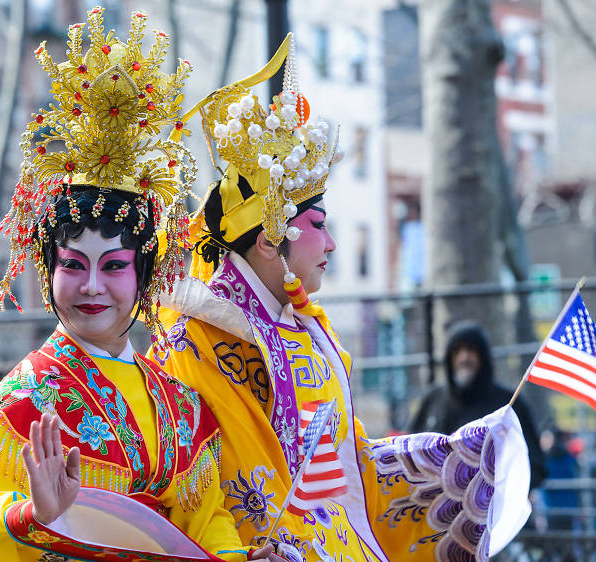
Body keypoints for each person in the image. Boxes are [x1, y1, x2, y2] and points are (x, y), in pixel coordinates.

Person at [152, 34, 532, 561]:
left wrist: (452, 457)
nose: (331, 243)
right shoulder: (190, 342)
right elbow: (205, 484)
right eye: (319, 226)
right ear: (267, 239)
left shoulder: (307, 329)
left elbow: (347, 467)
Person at [0, 9, 279, 562]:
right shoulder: (25, 403)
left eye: (113, 266)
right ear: (49, 272)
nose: (92, 287)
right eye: (73, 265)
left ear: (144, 274)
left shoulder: (179, 405)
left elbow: (208, 520)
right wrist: (29, 516)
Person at [409, 320, 546, 488]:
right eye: (457, 351)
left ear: (483, 356)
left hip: (492, 508)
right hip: (437, 508)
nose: (464, 357)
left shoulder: (508, 404)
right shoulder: (432, 400)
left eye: (471, 350)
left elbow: (534, 465)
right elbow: (411, 458)